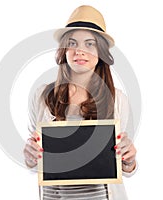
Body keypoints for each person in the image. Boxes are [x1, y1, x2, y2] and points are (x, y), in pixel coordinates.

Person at [23, 5, 137, 200]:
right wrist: (29, 156)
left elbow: (124, 168)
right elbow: (36, 162)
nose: (80, 51)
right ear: (64, 50)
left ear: (100, 51)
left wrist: (130, 160)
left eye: (89, 44)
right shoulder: (42, 96)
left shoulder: (118, 100)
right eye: (73, 43)